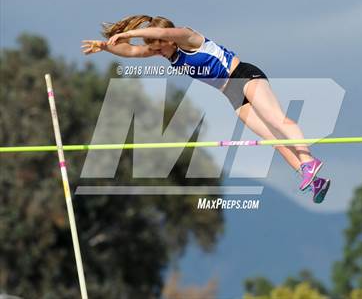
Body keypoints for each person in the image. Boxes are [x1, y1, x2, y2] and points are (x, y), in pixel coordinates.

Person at [81, 15, 330, 203]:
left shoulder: (189, 37)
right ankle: (314, 180)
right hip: (231, 94)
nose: (156, 51)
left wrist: (126, 34)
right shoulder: (166, 53)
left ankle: (309, 161)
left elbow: (157, 32)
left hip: (243, 76)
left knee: (278, 121)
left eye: (159, 45)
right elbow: (133, 52)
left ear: (168, 38)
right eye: (154, 47)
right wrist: (105, 46)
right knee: (273, 141)